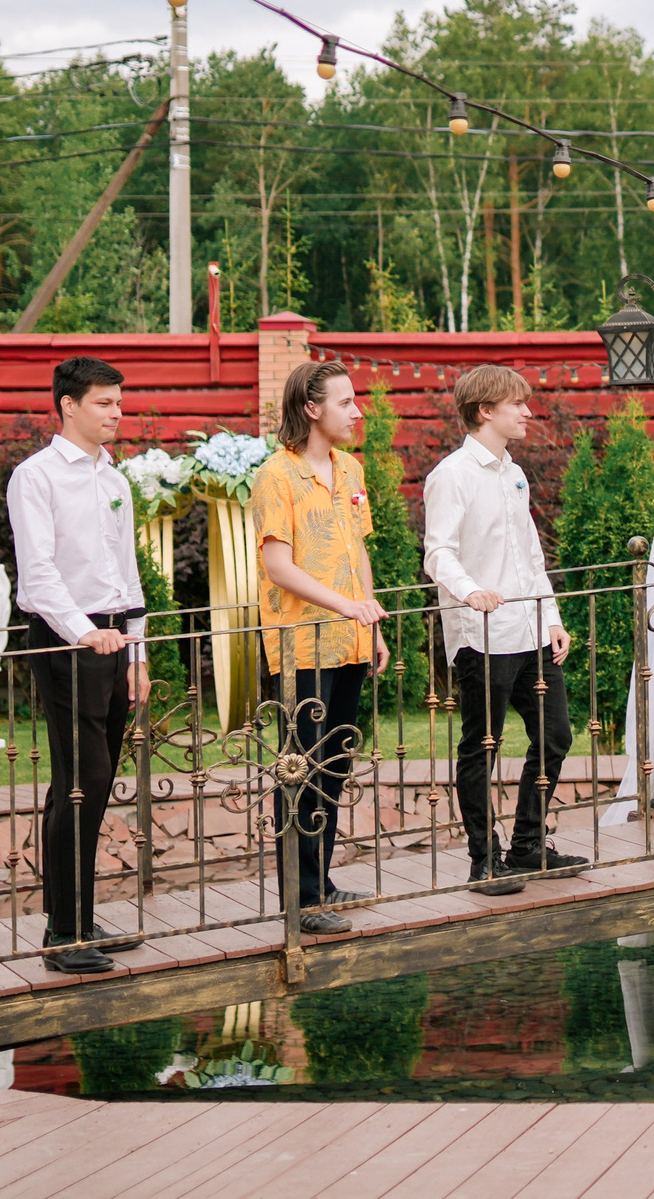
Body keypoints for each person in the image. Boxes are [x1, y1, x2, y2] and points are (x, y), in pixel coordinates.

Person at [5, 357, 151, 974]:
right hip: (64, 640)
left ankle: (81, 917)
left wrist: (135, 652)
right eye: (104, 402)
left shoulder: (114, 480)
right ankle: (62, 933)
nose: (117, 412)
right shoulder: (34, 478)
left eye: (118, 402)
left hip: (114, 638)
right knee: (79, 779)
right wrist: (85, 635)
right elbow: (37, 576)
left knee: (95, 781)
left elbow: (128, 573)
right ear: (68, 405)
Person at [422, 364, 586, 894]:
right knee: (482, 745)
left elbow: (530, 557)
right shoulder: (451, 475)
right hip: (482, 634)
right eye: (517, 404)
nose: (527, 411)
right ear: (485, 410)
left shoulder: (514, 472)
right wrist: (470, 590)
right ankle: (483, 859)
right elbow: (438, 554)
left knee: (555, 736)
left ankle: (529, 846)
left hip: (531, 630)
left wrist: (554, 619)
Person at [251, 362, 389, 934]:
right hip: (301, 648)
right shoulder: (275, 477)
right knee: (300, 770)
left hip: (351, 639)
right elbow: (277, 566)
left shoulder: (350, 467)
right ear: (312, 408)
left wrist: (372, 623)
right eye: (346, 402)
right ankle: (302, 899)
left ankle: (322, 884)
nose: (358, 411)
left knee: (333, 768)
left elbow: (358, 553)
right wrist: (342, 604)